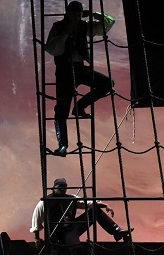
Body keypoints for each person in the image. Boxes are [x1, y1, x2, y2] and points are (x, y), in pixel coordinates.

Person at [45, 1, 116, 157]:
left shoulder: (84, 26)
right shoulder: (58, 27)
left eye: (79, 15)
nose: (77, 17)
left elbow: (109, 22)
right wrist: (66, 33)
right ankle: (63, 145)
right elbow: (51, 49)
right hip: (64, 72)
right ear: (68, 14)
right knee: (61, 110)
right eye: (74, 14)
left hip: (80, 68)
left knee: (107, 84)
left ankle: (79, 107)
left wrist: (93, 14)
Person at [31, 177, 132, 255]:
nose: (63, 190)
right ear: (54, 188)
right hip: (56, 233)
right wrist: (36, 237)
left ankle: (117, 231)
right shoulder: (45, 202)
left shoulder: (71, 199)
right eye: (60, 188)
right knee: (66, 251)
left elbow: (88, 203)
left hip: (70, 229)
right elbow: (36, 219)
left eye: (64, 188)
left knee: (95, 211)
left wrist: (104, 205)